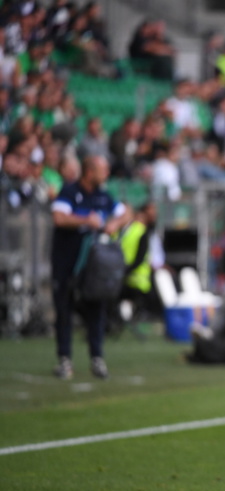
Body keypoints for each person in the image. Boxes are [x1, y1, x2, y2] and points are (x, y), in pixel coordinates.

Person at [51, 155, 130, 380]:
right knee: (64, 309)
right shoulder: (69, 192)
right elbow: (59, 218)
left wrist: (114, 223)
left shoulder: (103, 196)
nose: (106, 174)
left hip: (92, 267)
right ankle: (65, 359)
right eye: (102, 170)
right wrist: (86, 221)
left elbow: (126, 213)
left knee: (97, 309)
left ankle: (97, 358)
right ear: (89, 172)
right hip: (67, 261)